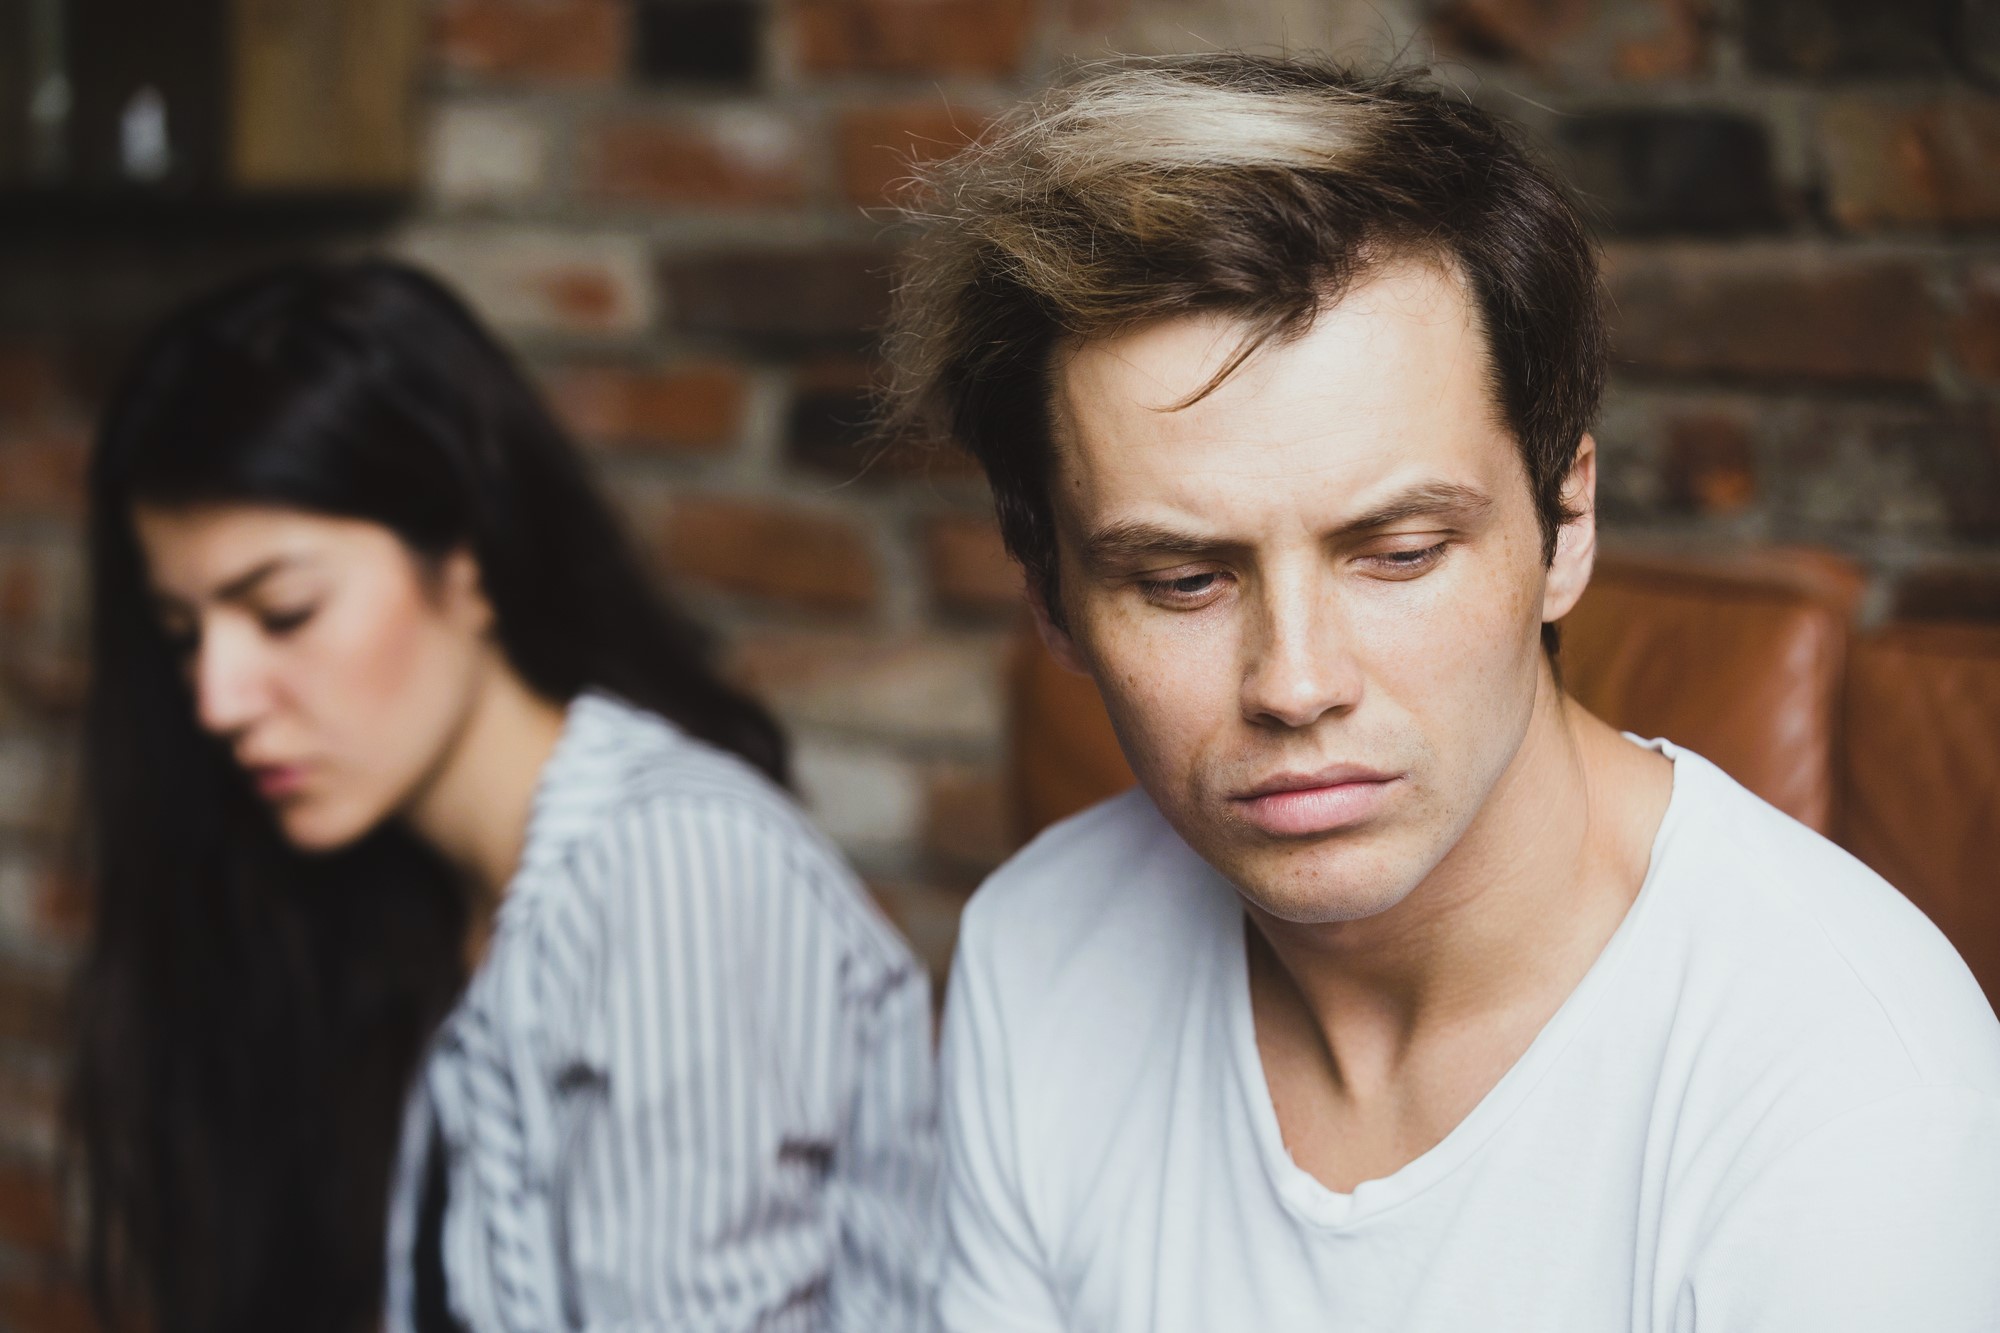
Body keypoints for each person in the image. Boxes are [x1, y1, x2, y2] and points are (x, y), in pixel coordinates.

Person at [884, 53, 2000, 1331]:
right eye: (1184, 578)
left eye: (1396, 553)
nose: (1296, 683)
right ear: (1052, 603)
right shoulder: (1040, 949)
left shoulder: (1847, 1100)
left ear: (1563, 521)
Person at [67, 260, 936, 1333]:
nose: (217, 698)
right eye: (184, 635)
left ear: (466, 561)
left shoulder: (671, 874)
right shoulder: (419, 915)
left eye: (283, 611)